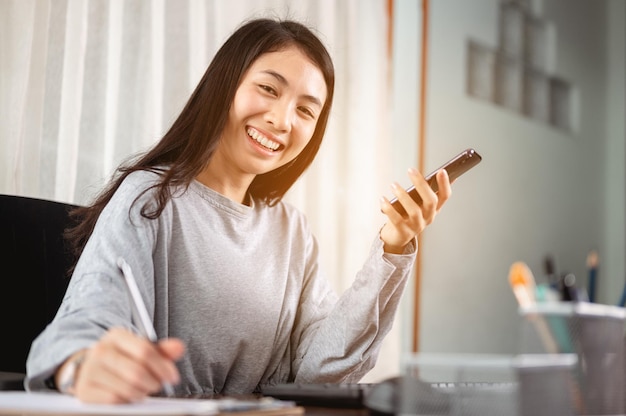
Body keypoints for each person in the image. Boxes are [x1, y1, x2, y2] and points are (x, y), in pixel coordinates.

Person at [25, 17, 452, 404]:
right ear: (225, 85)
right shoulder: (150, 198)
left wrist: (393, 246)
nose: (283, 121)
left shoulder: (292, 231)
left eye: (306, 110)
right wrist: (80, 366)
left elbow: (319, 372)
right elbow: (84, 321)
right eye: (268, 88)